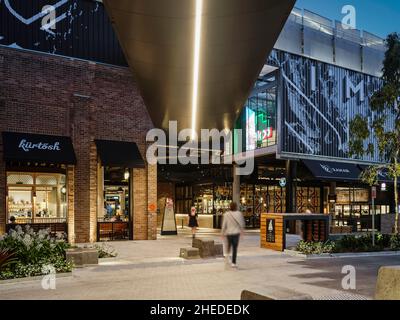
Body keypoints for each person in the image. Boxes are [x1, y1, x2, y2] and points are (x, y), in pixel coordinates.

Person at [221, 202, 245, 268]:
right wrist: (242, 232)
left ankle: (227, 258)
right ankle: (233, 263)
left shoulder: (226, 214)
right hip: (236, 233)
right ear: (236, 207)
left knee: (228, 246)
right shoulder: (239, 214)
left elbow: (224, 225)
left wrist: (222, 233)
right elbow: (241, 224)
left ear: (230, 207)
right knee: (235, 248)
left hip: (228, 233)